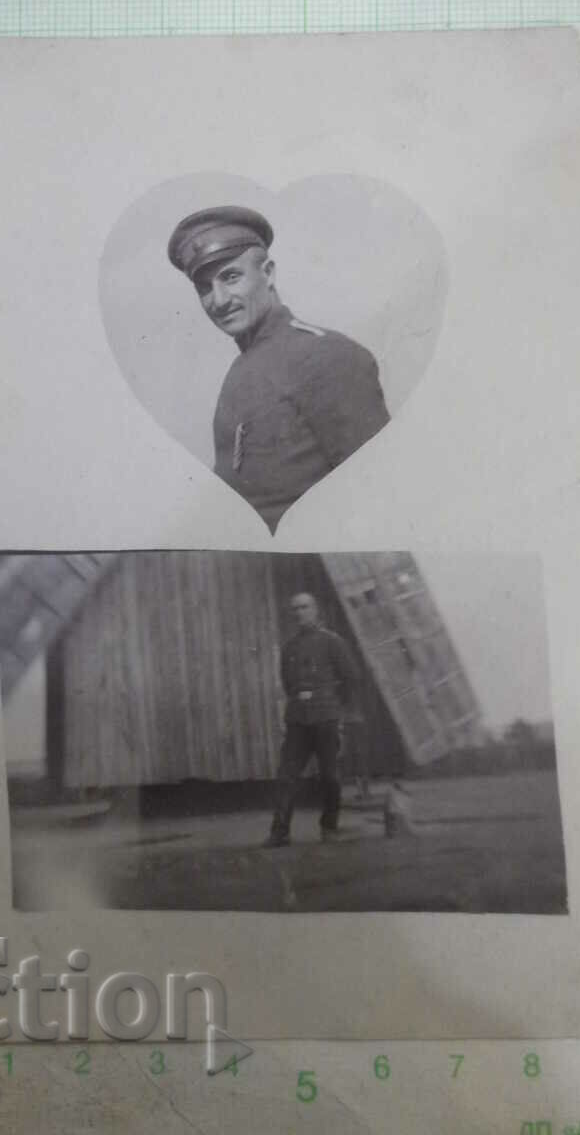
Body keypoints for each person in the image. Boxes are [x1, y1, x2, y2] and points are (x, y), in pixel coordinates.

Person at [167, 206, 390, 532]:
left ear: (268, 274)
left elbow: (377, 494)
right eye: (204, 287)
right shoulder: (239, 374)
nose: (219, 299)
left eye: (231, 277)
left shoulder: (325, 356)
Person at [262, 592, 360, 848]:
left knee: (329, 776)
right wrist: (300, 703)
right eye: (295, 609)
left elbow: (351, 678)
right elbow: (287, 683)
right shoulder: (289, 648)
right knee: (286, 776)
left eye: (304, 607)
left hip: (326, 718)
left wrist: (335, 707)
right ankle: (279, 832)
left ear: (315, 610)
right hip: (298, 720)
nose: (299, 613)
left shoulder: (332, 642)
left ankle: (329, 827)